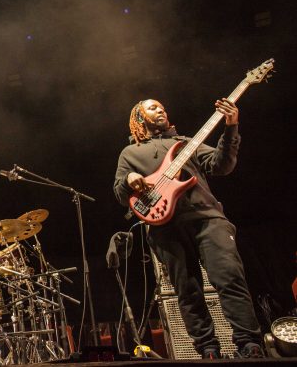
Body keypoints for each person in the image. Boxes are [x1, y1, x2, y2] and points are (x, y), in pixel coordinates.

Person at [113, 98, 264, 359]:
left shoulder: (186, 143)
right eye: (152, 107)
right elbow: (119, 192)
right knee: (187, 291)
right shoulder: (130, 153)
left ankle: (249, 344)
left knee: (230, 279)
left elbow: (221, 165)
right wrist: (129, 179)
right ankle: (208, 350)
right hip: (165, 228)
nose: (160, 109)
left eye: (162, 107)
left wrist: (231, 127)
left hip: (208, 219)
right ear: (138, 117)